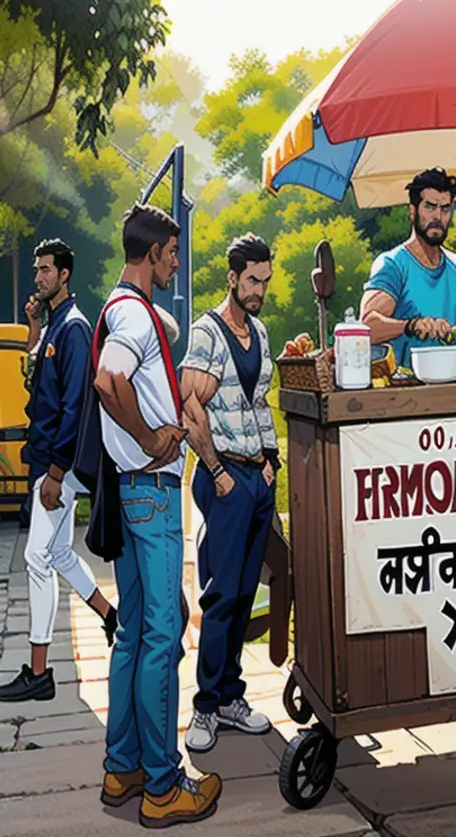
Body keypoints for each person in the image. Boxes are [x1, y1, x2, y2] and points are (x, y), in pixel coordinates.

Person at [93, 204, 221, 828]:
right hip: (151, 489)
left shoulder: (125, 309)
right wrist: (148, 435)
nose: (176, 260)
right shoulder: (134, 319)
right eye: (171, 252)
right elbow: (107, 380)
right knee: (163, 638)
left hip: (128, 490)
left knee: (133, 634)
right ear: (150, 253)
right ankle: (165, 786)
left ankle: (123, 768)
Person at [0, 239, 117, 704]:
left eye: (46, 270)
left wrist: (57, 472)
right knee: (60, 555)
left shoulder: (75, 329)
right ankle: (112, 618)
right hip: (44, 457)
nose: (39, 277)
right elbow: (36, 383)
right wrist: (31, 327)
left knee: (35, 559)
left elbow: (75, 405)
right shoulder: (51, 327)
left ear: (65, 275)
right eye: (37, 269)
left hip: (56, 464)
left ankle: (40, 672)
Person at [179, 234, 278, 753]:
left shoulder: (259, 330)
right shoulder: (208, 333)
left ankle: (231, 697)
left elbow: (260, 404)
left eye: (265, 280)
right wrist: (216, 470)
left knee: (244, 596)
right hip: (222, 479)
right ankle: (204, 707)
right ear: (233, 277)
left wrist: (270, 462)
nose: (259, 289)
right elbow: (190, 408)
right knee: (219, 596)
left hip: (255, 478)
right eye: (252, 280)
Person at [359, 168, 456, 367]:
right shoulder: (393, 264)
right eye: (430, 207)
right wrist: (411, 325)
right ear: (413, 211)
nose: (438, 216)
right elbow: (366, 327)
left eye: (445, 209)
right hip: (407, 390)